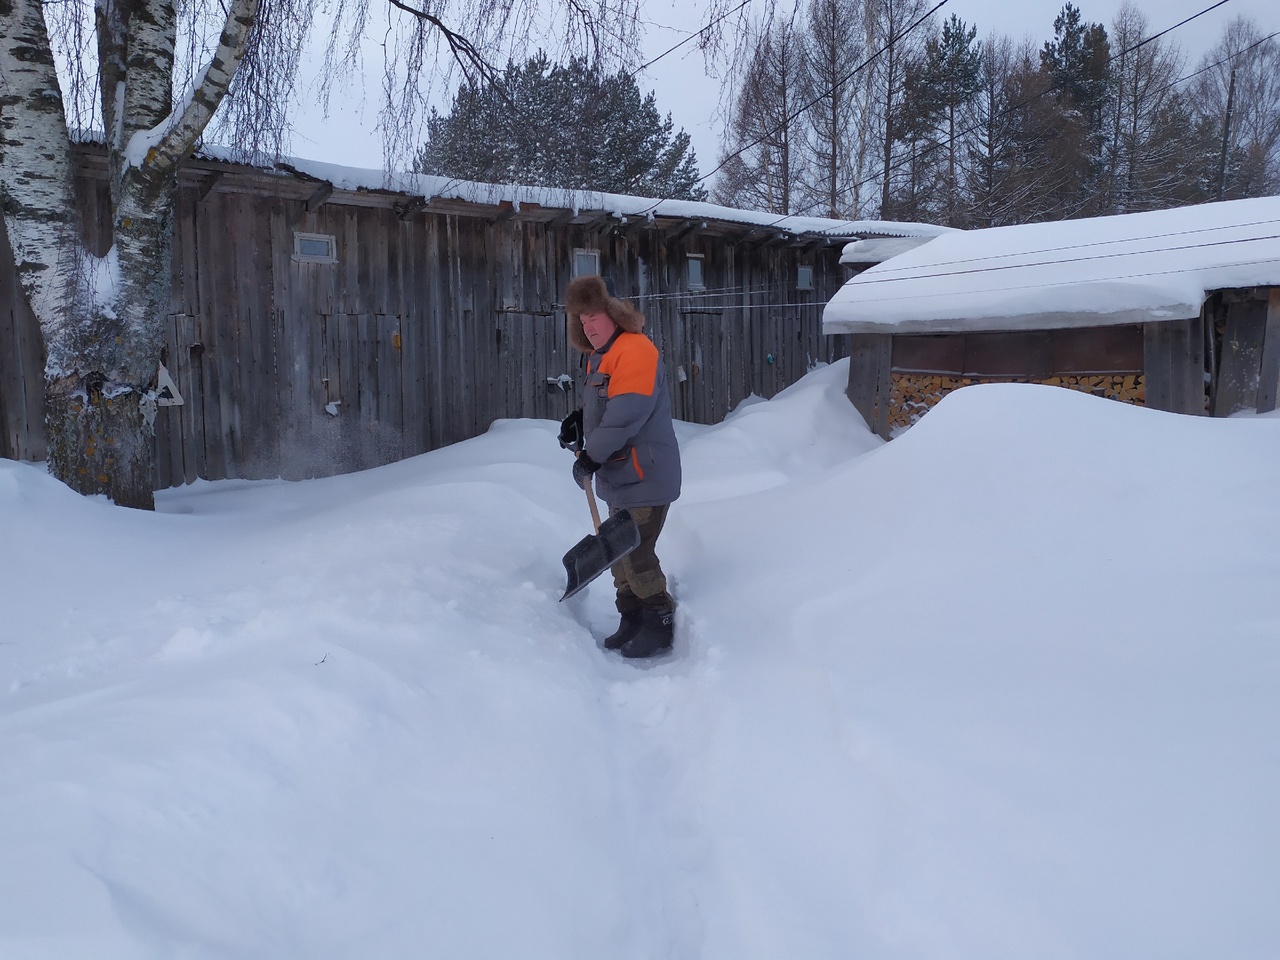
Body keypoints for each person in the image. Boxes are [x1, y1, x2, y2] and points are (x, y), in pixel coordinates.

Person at [558, 275, 681, 659]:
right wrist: (580, 419)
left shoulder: (635, 350)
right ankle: (631, 619)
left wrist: (591, 457)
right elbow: (606, 407)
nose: (588, 325)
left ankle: (658, 623)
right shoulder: (603, 358)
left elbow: (626, 415)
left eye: (593, 315)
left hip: (644, 475)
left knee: (636, 553)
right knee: (618, 554)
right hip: (621, 478)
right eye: (581, 318)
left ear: (613, 313)